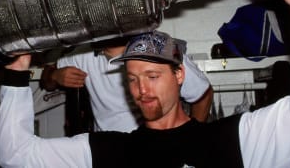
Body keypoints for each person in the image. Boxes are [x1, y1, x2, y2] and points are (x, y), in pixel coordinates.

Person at [0, 0, 290, 167]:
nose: (142, 89)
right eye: (132, 79)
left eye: (153, 76)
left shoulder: (231, 140)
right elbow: (15, 155)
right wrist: (16, 71)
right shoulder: (109, 151)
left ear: (179, 75)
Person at [40, 35, 213, 132]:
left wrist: (190, 139)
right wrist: (56, 75)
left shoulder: (158, 49)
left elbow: (203, 94)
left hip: (159, 149)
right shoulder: (82, 55)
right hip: (111, 152)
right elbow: (46, 81)